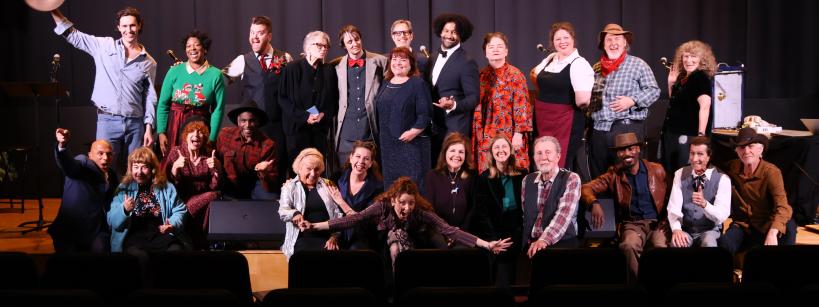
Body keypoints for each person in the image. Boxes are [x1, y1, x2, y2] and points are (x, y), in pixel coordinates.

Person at [303, 177, 512, 267]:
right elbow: (354, 218)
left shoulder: (419, 211)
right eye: (402, 203)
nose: (406, 208)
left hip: (415, 243)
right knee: (393, 239)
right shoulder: (382, 206)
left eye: (410, 203)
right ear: (393, 200)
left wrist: (487, 244)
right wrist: (314, 226)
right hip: (383, 243)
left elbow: (450, 230)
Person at [49, 7, 157, 173]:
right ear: (119, 28)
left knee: (135, 171)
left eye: (133, 25)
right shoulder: (104, 46)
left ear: (139, 26)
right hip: (107, 121)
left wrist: (149, 126)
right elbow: (73, 35)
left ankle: (131, 200)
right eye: (125, 26)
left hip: (135, 123)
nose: (129, 30)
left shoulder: (149, 62)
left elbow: (150, 96)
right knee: (102, 169)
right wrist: (52, 8)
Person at [581, 132, 668, 282]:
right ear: (618, 154)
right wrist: (594, 203)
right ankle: (636, 288)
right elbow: (586, 188)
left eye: (631, 149)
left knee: (660, 247)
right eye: (622, 150)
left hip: (657, 222)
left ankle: (658, 289)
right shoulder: (614, 174)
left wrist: (668, 220)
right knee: (629, 245)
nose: (627, 154)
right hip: (633, 224)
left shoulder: (657, 170)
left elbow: (672, 196)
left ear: (638, 150)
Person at [224, 16, 292, 191]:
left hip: (278, 128)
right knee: (249, 175)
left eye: (260, 33)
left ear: (269, 36)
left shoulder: (284, 58)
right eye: (252, 33)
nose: (254, 37)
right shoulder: (242, 60)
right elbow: (218, 80)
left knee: (276, 175)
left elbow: (297, 90)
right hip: (252, 130)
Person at [588, 24, 660, 178]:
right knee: (599, 178)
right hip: (599, 130)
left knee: (627, 178)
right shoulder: (597, 69)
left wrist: (633, 100)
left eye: (617, 39)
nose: (613, 43)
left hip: (625, 127)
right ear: (603, 45)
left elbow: (654, 91)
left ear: (625, 43)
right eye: (609, 39)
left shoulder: (638, 64)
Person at [530, 22, 594, 173]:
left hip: (565, 120)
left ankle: (559, 195)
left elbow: (583, 101)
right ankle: (543, 194)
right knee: (542, 158)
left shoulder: (579, 64)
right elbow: (534, 74)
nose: (562, 42)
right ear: (552, 42)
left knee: (559, 162)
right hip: (542, 119)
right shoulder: (551, 58)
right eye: (557, 39)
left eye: (566, 37)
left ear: (573, 39)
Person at [718, 128, 793, 254]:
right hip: (744, 226)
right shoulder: (731, 168)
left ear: (760, 149)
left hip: (766, 225)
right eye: (741, 148)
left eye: (751, 146)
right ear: (736, 151)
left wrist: (773, 232)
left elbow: (783, 207)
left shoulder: (771, 172)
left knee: (789, 228)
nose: (746, 151)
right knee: (724, 244)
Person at [108, 147, 190, 254]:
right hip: (133, 237)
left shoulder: (166, 187)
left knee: (175, 250)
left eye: (144, 167)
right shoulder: (124, 188)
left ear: (153, 169)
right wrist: (124, 209)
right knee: (140, 257)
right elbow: (111, 220)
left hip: (160, 235)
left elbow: (180, 210)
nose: (139, 172)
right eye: (136, 167)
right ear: (131, 169)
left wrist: (172, 224)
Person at [156, 30, 225, 156]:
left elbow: (218, 109)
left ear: (205, 48)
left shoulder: (216, 74)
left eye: (197, 45)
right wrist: (161, 132)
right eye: (188, 46)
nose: (192, 48)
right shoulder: (174, 71)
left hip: (201, 127)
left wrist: (212, 138)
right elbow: (163, 104)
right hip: (175, 124)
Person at [49, 128, 118, 252]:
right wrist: (62, 145)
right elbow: (69, 165)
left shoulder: (112, 175)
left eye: (109, 154)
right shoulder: (83, 163)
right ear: (90, 155)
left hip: (95, 231)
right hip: (70, 232)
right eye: (100, 153)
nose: (105, 158)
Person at [279, 31, 339, 173]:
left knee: (317, 170)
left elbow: (333, 100)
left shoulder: (329, 70)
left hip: (319, 131)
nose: (324, 49)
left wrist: (324, 114)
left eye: (326, 46)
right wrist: (305, 116)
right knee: (298, 171)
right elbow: (283, 98)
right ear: (307, 47)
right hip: (296, 130)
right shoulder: (292, 68)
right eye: (319, 45)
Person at [473, 32, 532, 173]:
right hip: (486, 131)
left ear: (506, 51)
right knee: (488, 173)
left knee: (510, 170)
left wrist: (519, 133)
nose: (495, 49)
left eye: (500, 46)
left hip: (510, 132)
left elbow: (522, 105)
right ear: (485, 52)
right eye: (491, 46)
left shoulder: (516, 75)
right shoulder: (481, 76)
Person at [278, 148, 351, 261]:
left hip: (326, 238)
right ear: (299, 168)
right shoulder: (289, 187)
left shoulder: (328, 185)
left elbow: (338, 214)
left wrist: (334, 236)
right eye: (309, 169)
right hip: (301, 239)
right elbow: (283, 211)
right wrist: (294, 214)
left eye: (317, 169)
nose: (313, 174)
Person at [376, 47, 432, 189]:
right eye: (394, 59)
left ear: (411, 64)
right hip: (388, 146)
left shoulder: (417, 83)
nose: (398, 62)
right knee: (392, 187)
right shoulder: (385, 83)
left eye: (403, 59)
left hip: (411, 144)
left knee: (413, 186)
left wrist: (413, 132)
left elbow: (425, 113)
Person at [332, 25, 387, 167]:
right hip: (346, 132)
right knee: (344, 175)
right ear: (344, 45)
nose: (355, 44)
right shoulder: (335, 66)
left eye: (356, 39)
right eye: (349, 42)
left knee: (373, 176)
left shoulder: (380, 61)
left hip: (370, 129)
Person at [427, 13, 479, 158]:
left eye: (454, 32)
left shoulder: (467, 62)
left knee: (453, 168)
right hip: (435, 126)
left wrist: (453, 105)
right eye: (446, 31)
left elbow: (474, 98)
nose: (449, 35)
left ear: (461, 34)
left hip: (455, 125)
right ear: (440, 32)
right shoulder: (433, 57)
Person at [163, 120, 220, 250]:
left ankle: (201, 243)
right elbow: (165, 184)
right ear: (185, 135)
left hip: (203, 201)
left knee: (213, 199)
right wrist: (175, 169)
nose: (196, 134)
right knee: (213, 196)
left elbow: (214, 186)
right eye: (191, 131)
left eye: (200, 132)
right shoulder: (176, 152)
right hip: (180, 202)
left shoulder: (208, 154)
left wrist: (216, 170)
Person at [522, 136, 582, 259]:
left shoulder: (571, 178)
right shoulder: (527, 180)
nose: (543, 157)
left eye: (548, 152)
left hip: (561, 245)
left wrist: (544, 240)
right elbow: (525, 215)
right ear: (534, 158)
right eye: (539, 153)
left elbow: (563, 215)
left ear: (558, 156)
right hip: (532, 245)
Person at [477, 135, 525, 286]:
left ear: (510, 150)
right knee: (501, 270)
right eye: (496, 147)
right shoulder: (484, 178)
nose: (500, 150)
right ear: (491, 152)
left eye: (504, 146)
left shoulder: (523, 174)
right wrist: (494, 238)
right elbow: (481, 212)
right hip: (495, 232)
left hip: (517, 230)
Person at [662, 40, 717, 172]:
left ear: (702, 60)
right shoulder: (683, 77)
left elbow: (705, 106)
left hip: (688, 135)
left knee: (685, 172)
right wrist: (671, 83)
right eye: (686, 56)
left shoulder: (700, 77)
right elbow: (675, 103)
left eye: (693, 56)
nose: (689, 60)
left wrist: (700, 135)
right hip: (674, 133)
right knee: (673, 171)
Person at [666, 136, 730, 248]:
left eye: (700, 154)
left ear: (709, 156)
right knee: (676, 244)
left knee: (708, 243)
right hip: (686, 229)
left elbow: (721, 216)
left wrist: (705, 204)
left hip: (710, 230)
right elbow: (674, 208)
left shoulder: (722, 179)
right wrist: (676, 229)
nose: (694, 159)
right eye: (692, 153)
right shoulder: (680, 174)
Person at [424, 132, 484, 239]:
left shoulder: (472, 176)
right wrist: (446, 233)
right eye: (452, 151)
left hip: (465, 234)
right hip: (438, 234)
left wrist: (460, 234)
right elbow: (429, 211)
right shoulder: (432, 176)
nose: (457, 155)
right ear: (445, 152)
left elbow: (473, 210)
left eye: (461, 152)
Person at [326, 140, 384, 250]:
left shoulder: (378, 187)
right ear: (351, 157)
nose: (361, 161)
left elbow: (363, 220)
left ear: (371, 163)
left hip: (362, 235)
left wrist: (341, 202)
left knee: (357, 251)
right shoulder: (336, 178)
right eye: (358, 156)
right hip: (337, 232)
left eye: (366, 159)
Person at [216, 100, 278, 200]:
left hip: (255, 183)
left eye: (252, 121)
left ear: (258, 122)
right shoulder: (224, 135)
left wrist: (264, 172)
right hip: (230, 182)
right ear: (238, 121)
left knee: (270, 199)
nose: (248, 125)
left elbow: (271, 182)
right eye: (243, 121)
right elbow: (217, 161)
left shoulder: (268, 145)